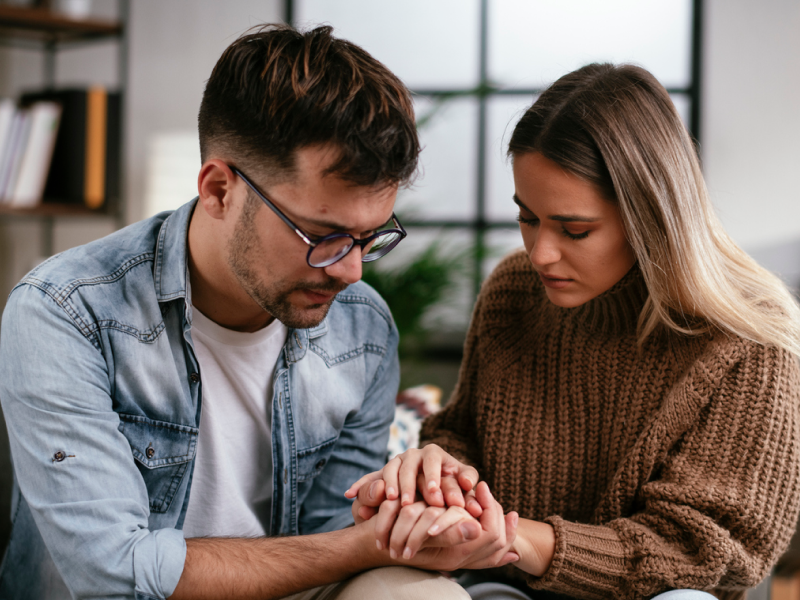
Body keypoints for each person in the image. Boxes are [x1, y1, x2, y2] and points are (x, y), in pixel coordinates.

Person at [0, 24, 518, 600]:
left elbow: (330, 538)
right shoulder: (66, 312)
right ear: (220, 189)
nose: (352, 271)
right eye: (323, 234)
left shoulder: (362, 327)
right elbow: (113, 573)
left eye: (370, 237)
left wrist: (419, 529)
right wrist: (367, 543)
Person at [347, 63, 800, 600]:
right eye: (527, 217)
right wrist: (441, 473)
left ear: (650, 216)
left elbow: (702, 552)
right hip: (499, 589)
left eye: (575, 229)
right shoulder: (514, 290)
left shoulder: (749, 339)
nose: (540, 254)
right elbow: (462, 432)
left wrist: (515, 539)